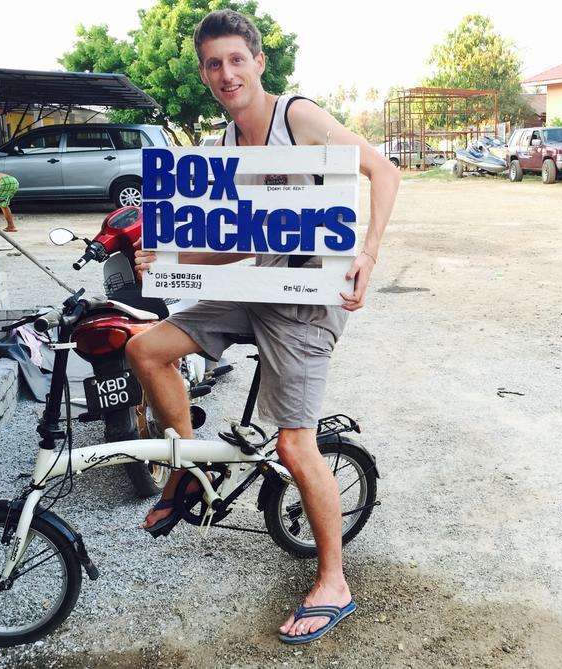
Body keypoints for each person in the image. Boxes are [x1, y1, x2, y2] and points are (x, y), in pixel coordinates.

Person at [125, 9, 400, 645]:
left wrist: (368, 250)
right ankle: (191, 470)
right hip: (252, 288)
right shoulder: (225, 145)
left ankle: (334, 582)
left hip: (304, 302)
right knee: (146, 349)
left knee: (292, 446)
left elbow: (382, 171)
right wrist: (172, 258)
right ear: (204, 72)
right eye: (214, 64)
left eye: (236, 60)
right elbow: (237, 243)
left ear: (258, 63)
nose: (226, 73)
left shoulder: (294, 117)